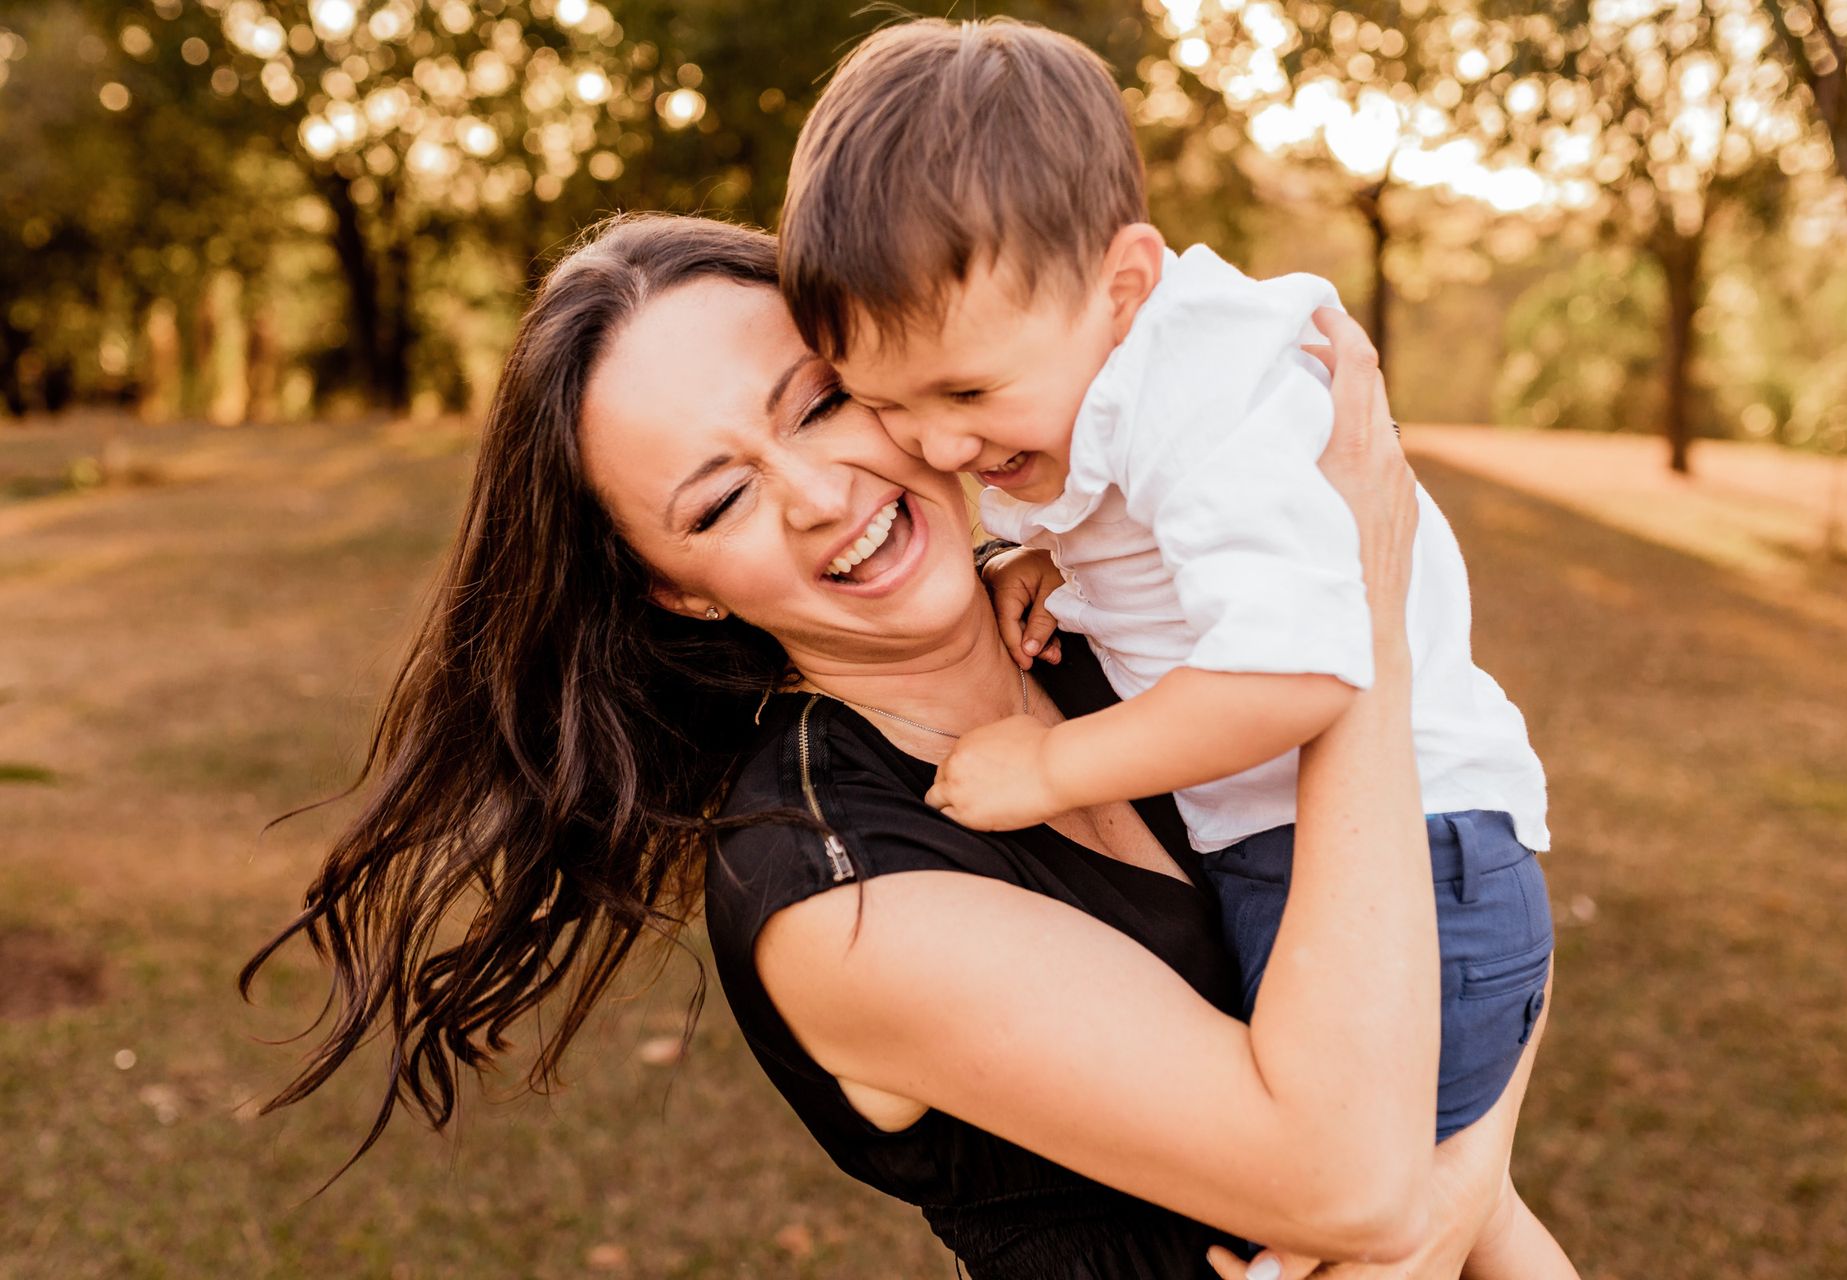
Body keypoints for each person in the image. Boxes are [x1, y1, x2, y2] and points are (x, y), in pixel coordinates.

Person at [244, 214, 1540, 1279]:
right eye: (721, 499)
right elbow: (1352, 1183)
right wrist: (1354, 625)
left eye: (815, 407)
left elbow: (1462, 876)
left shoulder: (1114, 627)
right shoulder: (835, 894)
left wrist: (1458, 1178)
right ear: (679, 590)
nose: (819, 497)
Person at [778, 19, 1572, 1278]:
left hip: (1413, 855)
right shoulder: (1112, 395)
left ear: (1126, 288)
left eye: (967, 396)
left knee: (1358, 1226)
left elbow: (1303, 671)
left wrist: (1053, 768)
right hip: (1382, 842)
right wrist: (1059, 557)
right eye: (885, 401)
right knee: (1444, 1205)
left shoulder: (1202, 407)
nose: (931, 447)